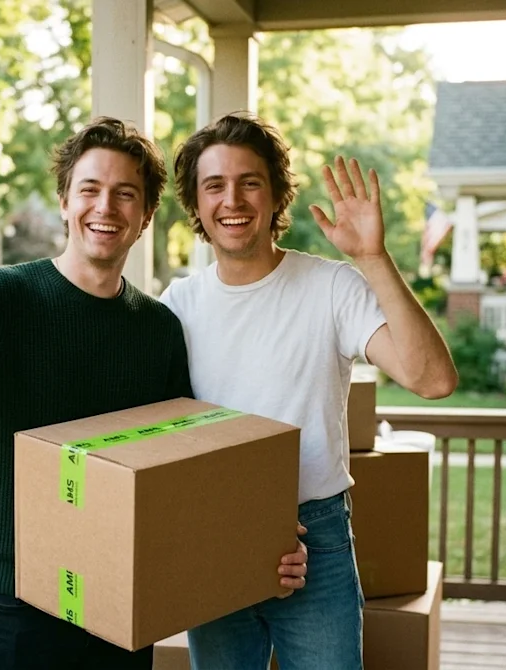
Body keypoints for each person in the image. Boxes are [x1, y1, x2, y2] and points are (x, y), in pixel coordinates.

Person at [0, 116, 308, 669]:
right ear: (65, 203)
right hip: (15, 602)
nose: (106, 207)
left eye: (125, 194)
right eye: (90, 190)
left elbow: (184, 472)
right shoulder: (0, 297)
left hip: (120, 601)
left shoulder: (157, 329)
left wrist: (260, 540)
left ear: (146, 216)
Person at [161, 113, 458, 670]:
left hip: (315, 537)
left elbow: (433, 380)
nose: (233, 199)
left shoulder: (332, 287)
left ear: (275, 195)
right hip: (217, 534)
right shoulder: (176, 306)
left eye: (250, 181)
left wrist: (372, 258)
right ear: (196, 204)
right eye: (214, 185)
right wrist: (226, 533)